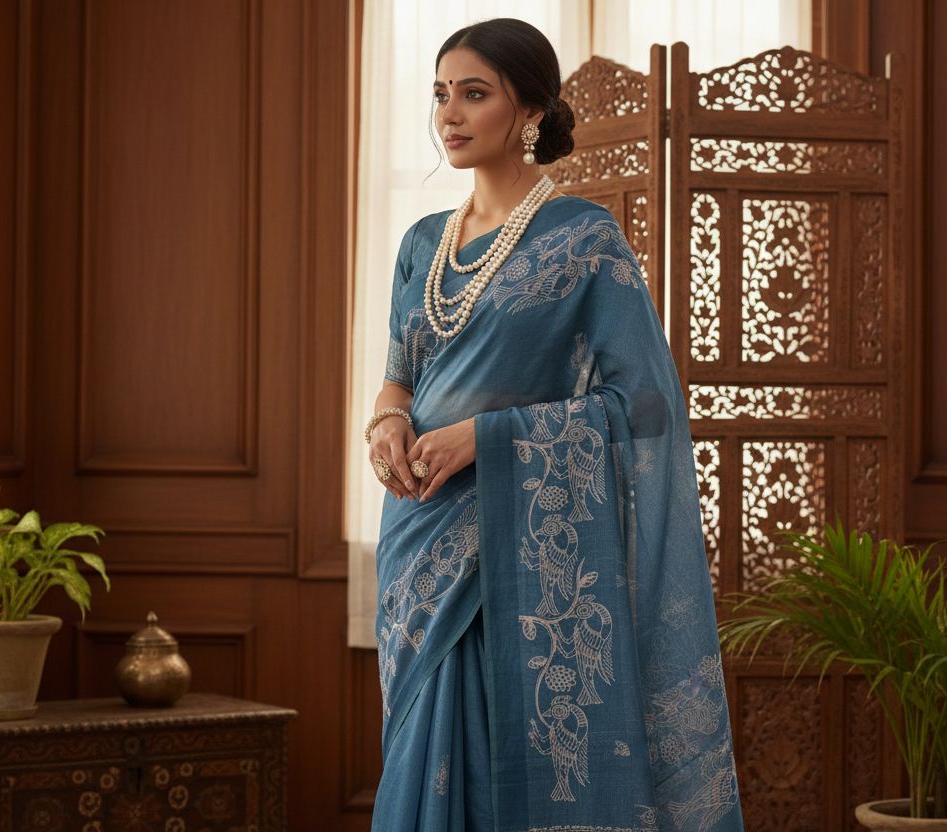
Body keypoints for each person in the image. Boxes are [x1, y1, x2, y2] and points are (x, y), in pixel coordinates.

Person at [365, 18, 746, 832]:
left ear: (531, 110)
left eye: (474, 93)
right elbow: (399, 376)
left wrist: (488, 439)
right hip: (419, 535)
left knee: (495, 752)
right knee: (420, 751)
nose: (449, 114)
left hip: (513, 545)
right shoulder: (422, 244)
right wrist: (385, 426)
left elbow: (643, 405)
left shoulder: (581, 239)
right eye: (440, 94)